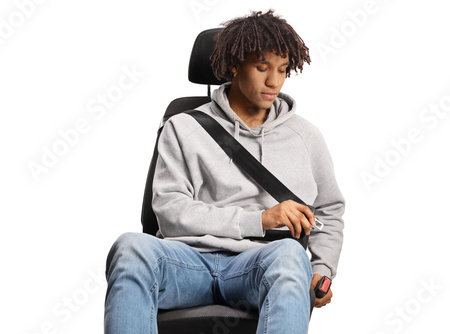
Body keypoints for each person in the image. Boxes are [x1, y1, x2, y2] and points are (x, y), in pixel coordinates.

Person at [104, 10, 345, 334]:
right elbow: (170, 210)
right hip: (186, 263)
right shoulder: (183, 127)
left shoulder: (306, 136)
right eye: (262, 68)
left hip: (261, 265)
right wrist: (259, 219)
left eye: (283, 70)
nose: (274, 81)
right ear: (235, 66)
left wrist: (322, 268)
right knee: (131, 246)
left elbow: (328, 210)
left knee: (291, 255)